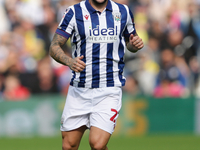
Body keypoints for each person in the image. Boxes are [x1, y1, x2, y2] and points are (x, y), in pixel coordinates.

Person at [49, 0, 143, 149]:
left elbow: (130, 43)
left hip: (109, 89)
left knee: (97, 144)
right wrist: (69, 61)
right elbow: (54, 46)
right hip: (79, 89)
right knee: (69, 146)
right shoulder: (74, 12)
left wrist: (134, 45)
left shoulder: (123, 11)